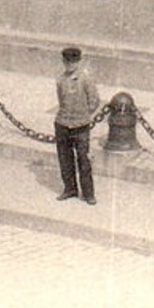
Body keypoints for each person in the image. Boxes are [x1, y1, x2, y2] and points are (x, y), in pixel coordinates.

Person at [53, 46, 100, 205]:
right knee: (65, 159)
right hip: (63, 123)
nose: (70, 65)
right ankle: (70, 188)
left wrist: (83, 115)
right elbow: (61, 100)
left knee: (83, 160)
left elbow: (94, 100)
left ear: (78, 62)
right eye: (67, 62)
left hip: (80, 125)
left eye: (73, 62)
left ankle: (88, 194)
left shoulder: (86, 79)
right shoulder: (60, 79)